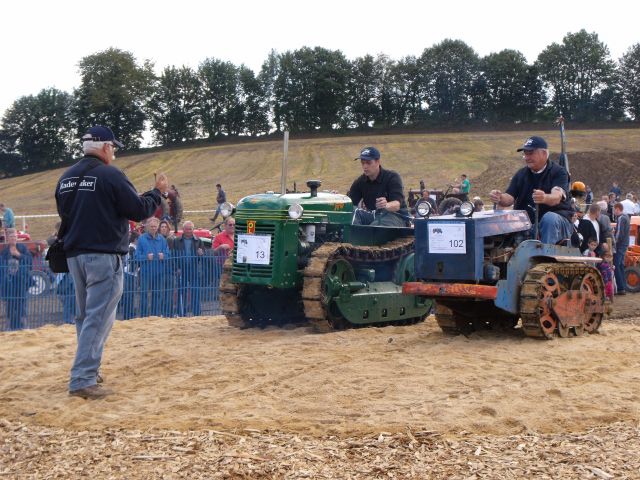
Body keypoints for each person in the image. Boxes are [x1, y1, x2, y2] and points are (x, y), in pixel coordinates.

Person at [55, 125, 167, 399]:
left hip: (75, 256)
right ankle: (82, 378)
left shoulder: (66, 178)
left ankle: (88, 371)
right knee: (98, 317)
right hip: (104, 256)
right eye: (113, 147)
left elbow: (64, 213)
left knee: (85, 316)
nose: (114, 152)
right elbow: (138, 210)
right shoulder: (110, 175)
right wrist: (157, 192)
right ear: (105, 147)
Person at [489, 136, 574, 245]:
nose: (526, 157)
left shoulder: (559, 172)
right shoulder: (521, 174)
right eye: (525, 154)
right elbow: (509, 198)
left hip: (558, 222)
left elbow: (556, 197)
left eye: (530, 153)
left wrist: (544, 198)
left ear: (544, 153)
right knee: (501, 220)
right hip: (528, 224)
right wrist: (500, 197)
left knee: (549, 218)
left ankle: (544, 256)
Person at [348, 146, 409, 227]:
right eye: (362, 163)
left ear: (378, 162)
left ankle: (367, 232)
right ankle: (353, 233)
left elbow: (397, 204)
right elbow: (349, 204)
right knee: (351, 212)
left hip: (395, 215)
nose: (365, 166)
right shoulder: (360, 182)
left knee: (378, 225)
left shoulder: (392, 177)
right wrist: (337, 198)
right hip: (374, 215)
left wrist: (386, 205)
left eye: (368, 163)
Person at [135, 217, 169, 318]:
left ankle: (155, 316)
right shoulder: (142, 239)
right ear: (147, 227)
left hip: (159, 272)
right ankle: (144, 316)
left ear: (158, 227)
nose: (153, 228)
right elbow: (136, 256)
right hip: (146, 272)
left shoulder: (162, 239)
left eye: (155, 226)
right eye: (151, 226)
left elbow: (168, 254)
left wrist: (164, 256)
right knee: (144, 294)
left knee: (157, 294)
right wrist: (146, 257)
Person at [0, 228, 32, 330]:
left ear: (17, 237)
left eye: (14, 236)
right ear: (7, 239)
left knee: (21, 306)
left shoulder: (22, 248)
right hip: (8, 285)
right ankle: (10, 327)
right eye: (10, 237)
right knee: (9, 307)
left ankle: (24, 326)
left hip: (21, 283)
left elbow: (29, 262)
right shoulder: (4, 252)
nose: (13, 238)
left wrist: (18, 255)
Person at [172, 220, 205, 316]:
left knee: (195, 292)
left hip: (194, 270)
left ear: (193, 230)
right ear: (183, 229)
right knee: (181, 292)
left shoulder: (198, 241)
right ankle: (181, 313)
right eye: (186, 229)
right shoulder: (176, 241)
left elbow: (204, 256)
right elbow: (173, 256)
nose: (188, 231)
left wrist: (201, 254)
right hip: (181, 270)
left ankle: (197, 314)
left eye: (190, 229)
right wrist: (176, 268)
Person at [613, 202, 630, 295]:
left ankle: (621, 288)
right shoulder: (626, 216)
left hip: (620, 245)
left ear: (617, 209)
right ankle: (623, 286)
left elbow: (620, 233)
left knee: (616, 265)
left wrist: (614, 242)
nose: (613, 211)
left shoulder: (621, 218)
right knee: (620, 266)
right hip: (624, 244)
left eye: (614, 209)